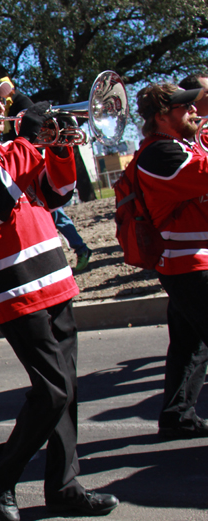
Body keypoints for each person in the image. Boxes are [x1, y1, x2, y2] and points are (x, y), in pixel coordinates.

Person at [0, 77, 119, 521]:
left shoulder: (12, 149)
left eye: (4, 103)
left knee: (67, 389)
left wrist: (57, 148)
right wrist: (25, 139)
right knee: (53, 389)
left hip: (54, 277)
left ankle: (64, 486)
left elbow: (57, 193)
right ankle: (2, 469)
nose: (2, 109)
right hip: (12, 288)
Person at [132, 82, 208, 439]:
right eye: (185, 107)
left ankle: (177, 415)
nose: (194, 111)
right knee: (191, 342)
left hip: (191, 262)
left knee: (190, 344)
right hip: (188, 265)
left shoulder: (179, 145)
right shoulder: (158, 153)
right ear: (162, 115)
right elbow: (201, 176)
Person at [4, 93, 93, 272]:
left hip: (34, 172)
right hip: (27, 169)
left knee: (57, 214)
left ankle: (81, 248)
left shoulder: (19, 105)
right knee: (56, 215)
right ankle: (80, 248)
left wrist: (57, 143)